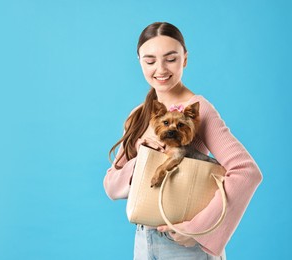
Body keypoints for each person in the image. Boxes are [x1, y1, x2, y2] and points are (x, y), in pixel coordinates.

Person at [104, 22, 263, 259]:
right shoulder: (138, 115)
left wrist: (199, 230)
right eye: (150, 61)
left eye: (171, 59)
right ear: (139, 61)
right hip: (142, 240)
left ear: (185, 59)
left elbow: (246, 172)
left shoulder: (199, 110)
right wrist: (142, 164)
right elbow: (111, 185)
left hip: (184, 247)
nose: (160, 69)